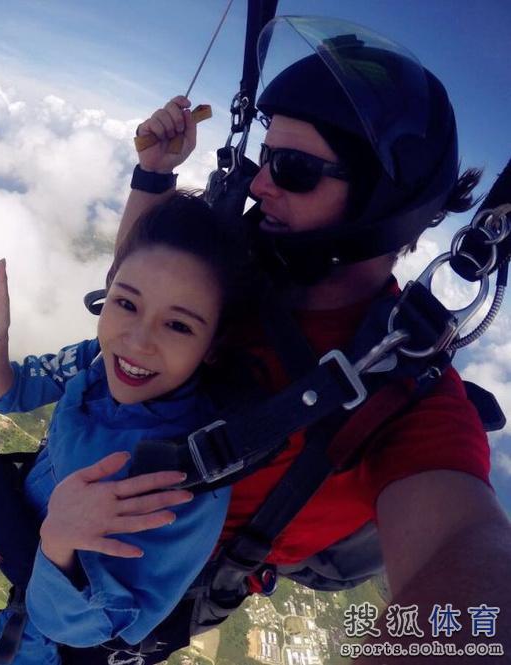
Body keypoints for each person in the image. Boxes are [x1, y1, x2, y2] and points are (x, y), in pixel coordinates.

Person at [107, 20, 511, 660]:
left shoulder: (410, 400)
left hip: (150, 589)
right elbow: (131, 300)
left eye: (293, 169)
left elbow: (466, 565)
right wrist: (153, 177)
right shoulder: (241, 260)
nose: (261, 183)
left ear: (380, 206)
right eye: (265, 157)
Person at [0, 192, 250, 664]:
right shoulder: (100, 360)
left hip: (48, 613)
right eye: (126, 303)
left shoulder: (180, 477)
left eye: (178, 326)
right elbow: (10, 392)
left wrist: (58, 542)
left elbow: (91, 628)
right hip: (24, 500)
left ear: (213, 348)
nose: (138, 341)